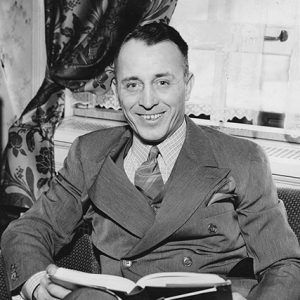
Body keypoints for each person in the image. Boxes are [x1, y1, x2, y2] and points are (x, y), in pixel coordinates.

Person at [1, 23, 300, 300]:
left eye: (162, 82)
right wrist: (37, 285)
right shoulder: (89, 154)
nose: (147, 101)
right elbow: (28, 229)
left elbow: (284, 264)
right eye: (132, 84)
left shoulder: (242, 158)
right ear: (116, 90)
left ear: (188, 85)